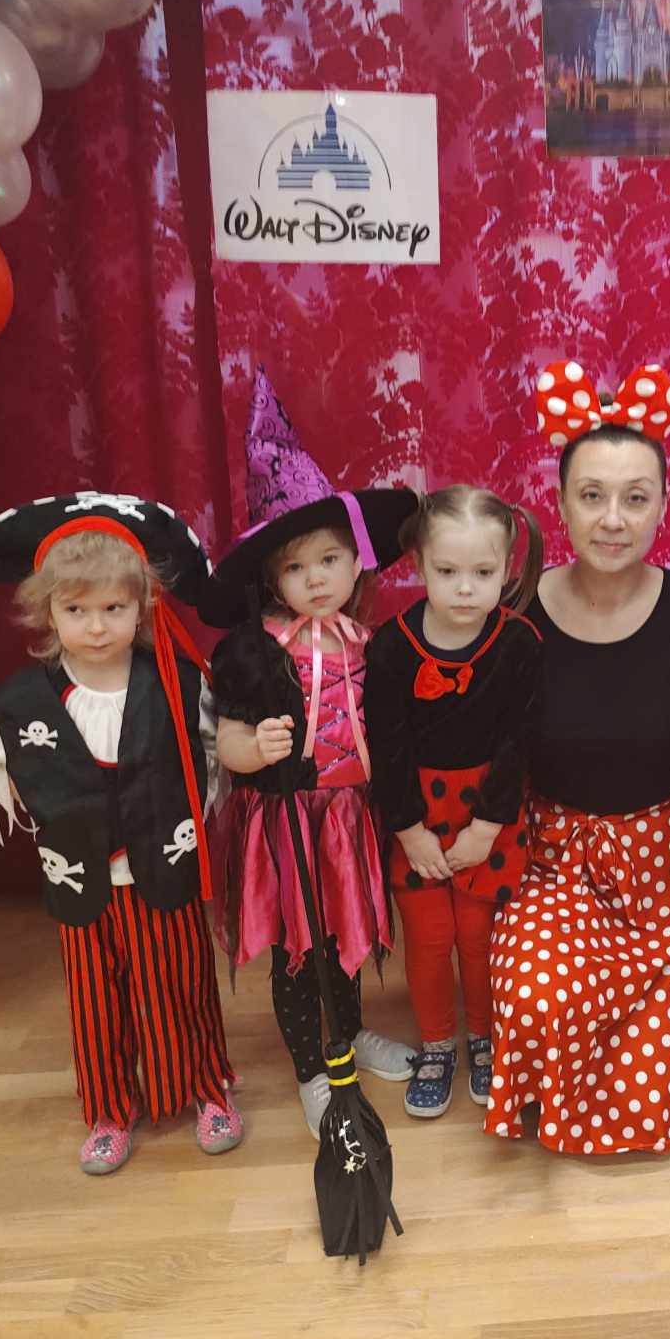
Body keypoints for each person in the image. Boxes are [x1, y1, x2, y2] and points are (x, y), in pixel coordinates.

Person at [485, 359, 670, 1154]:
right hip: (557, 864)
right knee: (538, 1000)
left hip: (669, 870)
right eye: (592, 496)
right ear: (560, 502)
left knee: (647, 1099)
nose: (613, 519)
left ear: (665, 505)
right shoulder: (513, 613)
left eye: (635, 498)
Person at [0, 492, 241, 1176]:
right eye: (76, 610)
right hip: (81, 874)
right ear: (47, 611)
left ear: (143, 606)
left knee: (180, 982)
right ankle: (110, 1109)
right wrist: (25, 792)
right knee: (94, 997)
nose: (96, 626)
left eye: (114, 608)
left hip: (161, 863)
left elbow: (214, 753)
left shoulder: (179, 683)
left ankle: (206, 1089)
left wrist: (195, 808)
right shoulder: (21, 699)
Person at [198, 371, 420, 1136]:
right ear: (272, 581)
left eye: (328, 560)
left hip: (348, 818)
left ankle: (348, 1035)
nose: (315, 578)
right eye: (295, 568)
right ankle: (311, 1069)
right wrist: (251, 747)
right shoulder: (255, 652)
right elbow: (223, 739)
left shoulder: (371, 644)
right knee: (298, 947)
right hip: (286, 820)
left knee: (344, 937)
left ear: (358, 561)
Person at [363, 485, 544, 1117]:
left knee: (476, 934)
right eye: (446, 572)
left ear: (507, 568)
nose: (465, 589)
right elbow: (385, 745)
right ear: (419, 565)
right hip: (417, 814)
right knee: (431, 936)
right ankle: (438, 1043)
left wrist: (486, 827)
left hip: (488, 815)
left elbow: (519, 743)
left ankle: (485, 1039)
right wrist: (409, 830)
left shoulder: (519, 643)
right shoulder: (391, 646)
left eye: (483, 574)